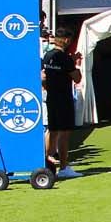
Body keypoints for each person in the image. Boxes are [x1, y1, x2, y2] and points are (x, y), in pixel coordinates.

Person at [42, 31, 81, 178]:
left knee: (52, 130)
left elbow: (44, 77)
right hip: (63, 98)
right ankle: (64, 166)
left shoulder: (47, 56)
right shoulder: (65, 58)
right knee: (64, 132)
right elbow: (77, 78)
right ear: (66, 40)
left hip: (51, 96)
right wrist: (76, 63)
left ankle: (44, 161)